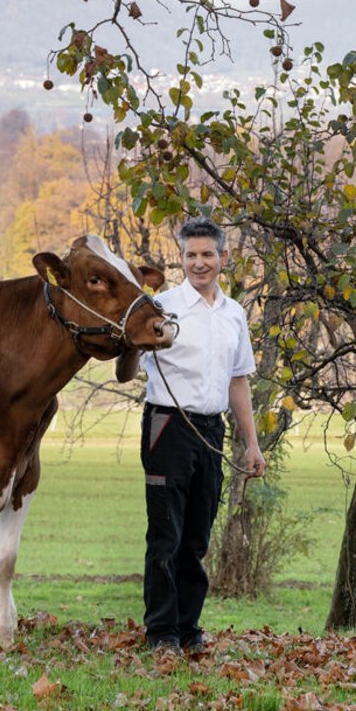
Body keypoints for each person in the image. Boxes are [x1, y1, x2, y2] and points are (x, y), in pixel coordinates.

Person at [115, 217, 266, 654]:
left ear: (223, 258)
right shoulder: (159, 308)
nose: (199, 263)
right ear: (180, 259)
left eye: (207, 255)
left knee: (197, 536)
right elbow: (126, 373)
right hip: (167, 426)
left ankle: (188, 629)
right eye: (190, 255)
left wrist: (252, 443)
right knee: (166, 534)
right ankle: (161, 634)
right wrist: (134, 341)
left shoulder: (234, 313)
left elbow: (239, 381)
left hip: (210, 430)